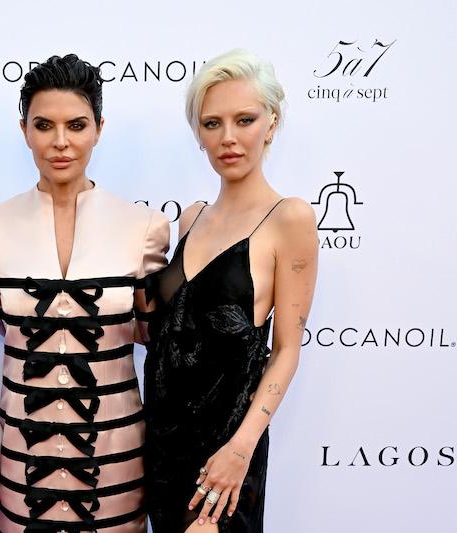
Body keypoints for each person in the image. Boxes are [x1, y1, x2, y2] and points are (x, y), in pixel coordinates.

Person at [0, 54, 169, 532]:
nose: (60, 142)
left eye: (76, 125)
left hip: (117, 464)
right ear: (23, 130)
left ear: (99, 127)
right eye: (44, 125)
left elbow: (161, 344)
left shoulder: (146, 230)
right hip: (22, 467)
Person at [144, 49, 318, 533]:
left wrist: (241, 449)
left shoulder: (290, 219)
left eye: (244, 119)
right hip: (160, 443)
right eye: (212, 123)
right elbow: (166, 329)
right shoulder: (191, 217)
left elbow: (285, 351)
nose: (229, 138)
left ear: (272, 123)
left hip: (225, 454)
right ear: (198, 136)